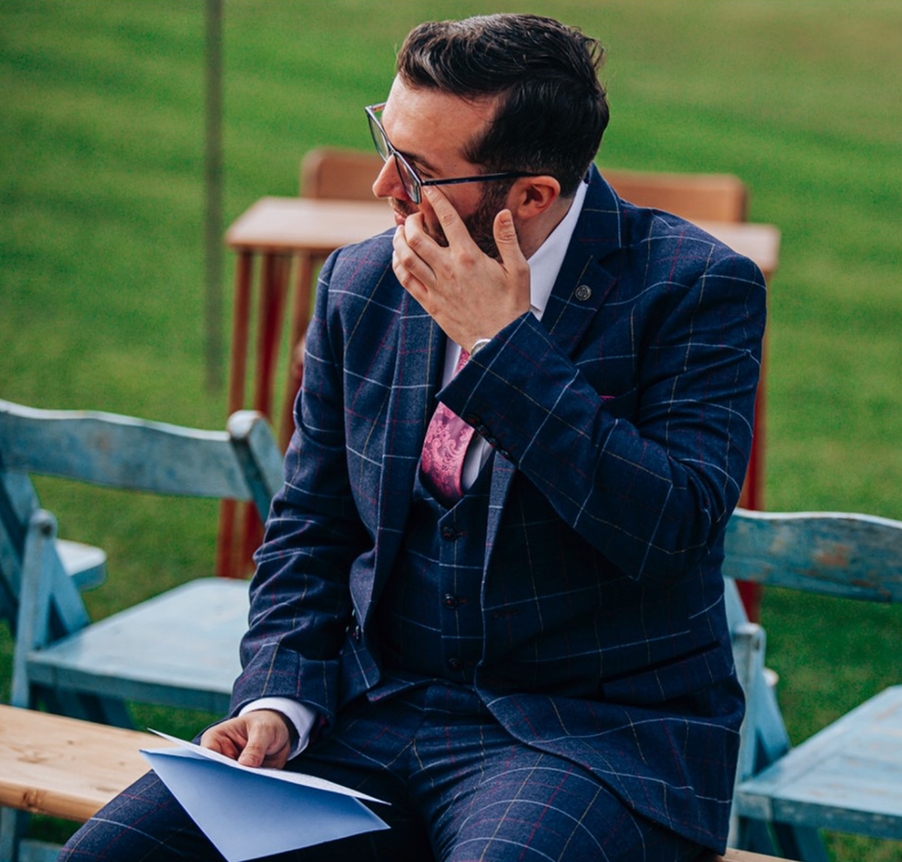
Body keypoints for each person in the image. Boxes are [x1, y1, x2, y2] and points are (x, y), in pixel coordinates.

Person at [60, 13, 765, 862]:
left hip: (584, 736)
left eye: (420, 171)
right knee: (113, 855)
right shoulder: (359, 281)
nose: (383, 187)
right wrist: (277, 702)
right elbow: (310, 529)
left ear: (534, 194)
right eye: (384, 141)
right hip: (368, 709)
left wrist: (505, 350)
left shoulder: (695, 287)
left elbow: (671, 529)